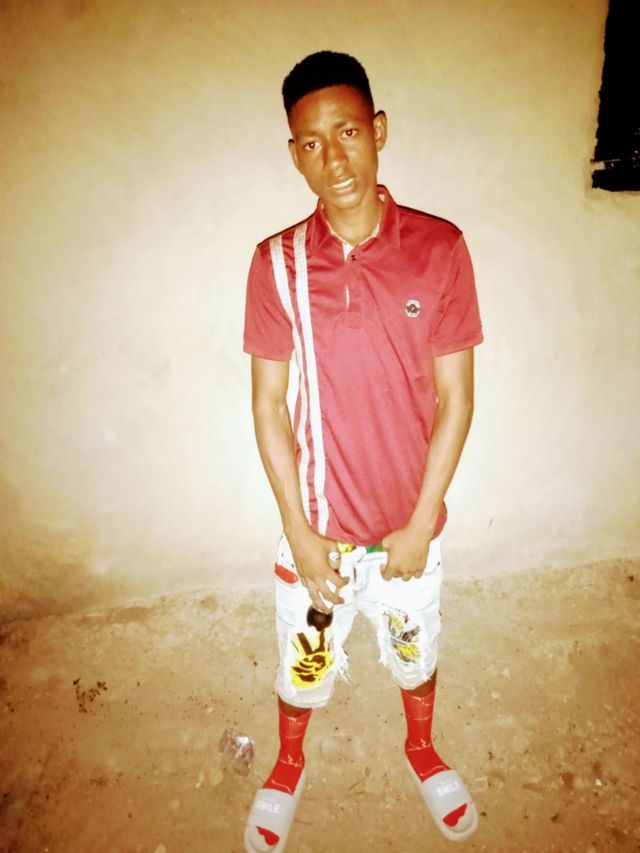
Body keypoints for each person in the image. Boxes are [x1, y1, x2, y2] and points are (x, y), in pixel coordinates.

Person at [242, 50, 483, 852]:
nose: (334, 159)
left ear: (378, 130)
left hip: (408, 533)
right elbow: (268, 406)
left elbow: (456, 399)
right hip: (319, 536)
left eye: (347, 132)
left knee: (415, 652)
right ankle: (288, 763)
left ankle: (421, 748)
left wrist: (418, 525)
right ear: (294, 154)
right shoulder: (277, 264)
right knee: (304, 661)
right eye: (311, 143)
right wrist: (300, 532)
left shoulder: (441, 249)